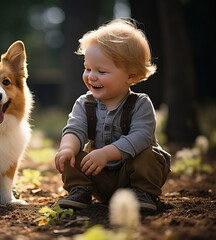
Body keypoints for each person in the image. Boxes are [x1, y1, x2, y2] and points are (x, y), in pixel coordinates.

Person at [54, 18, 170, 211]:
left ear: (130, 76)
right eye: (88, 68)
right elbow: (75, 129)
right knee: (71, 155)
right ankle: (80, 190)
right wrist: (67, 148)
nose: (91, 76)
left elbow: (141, 136)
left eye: (101, 71)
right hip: (97, 175)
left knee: (148, 155)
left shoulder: (140, 104)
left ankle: (143, 194)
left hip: (130, 176)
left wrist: (107, 153)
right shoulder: (84, 103)